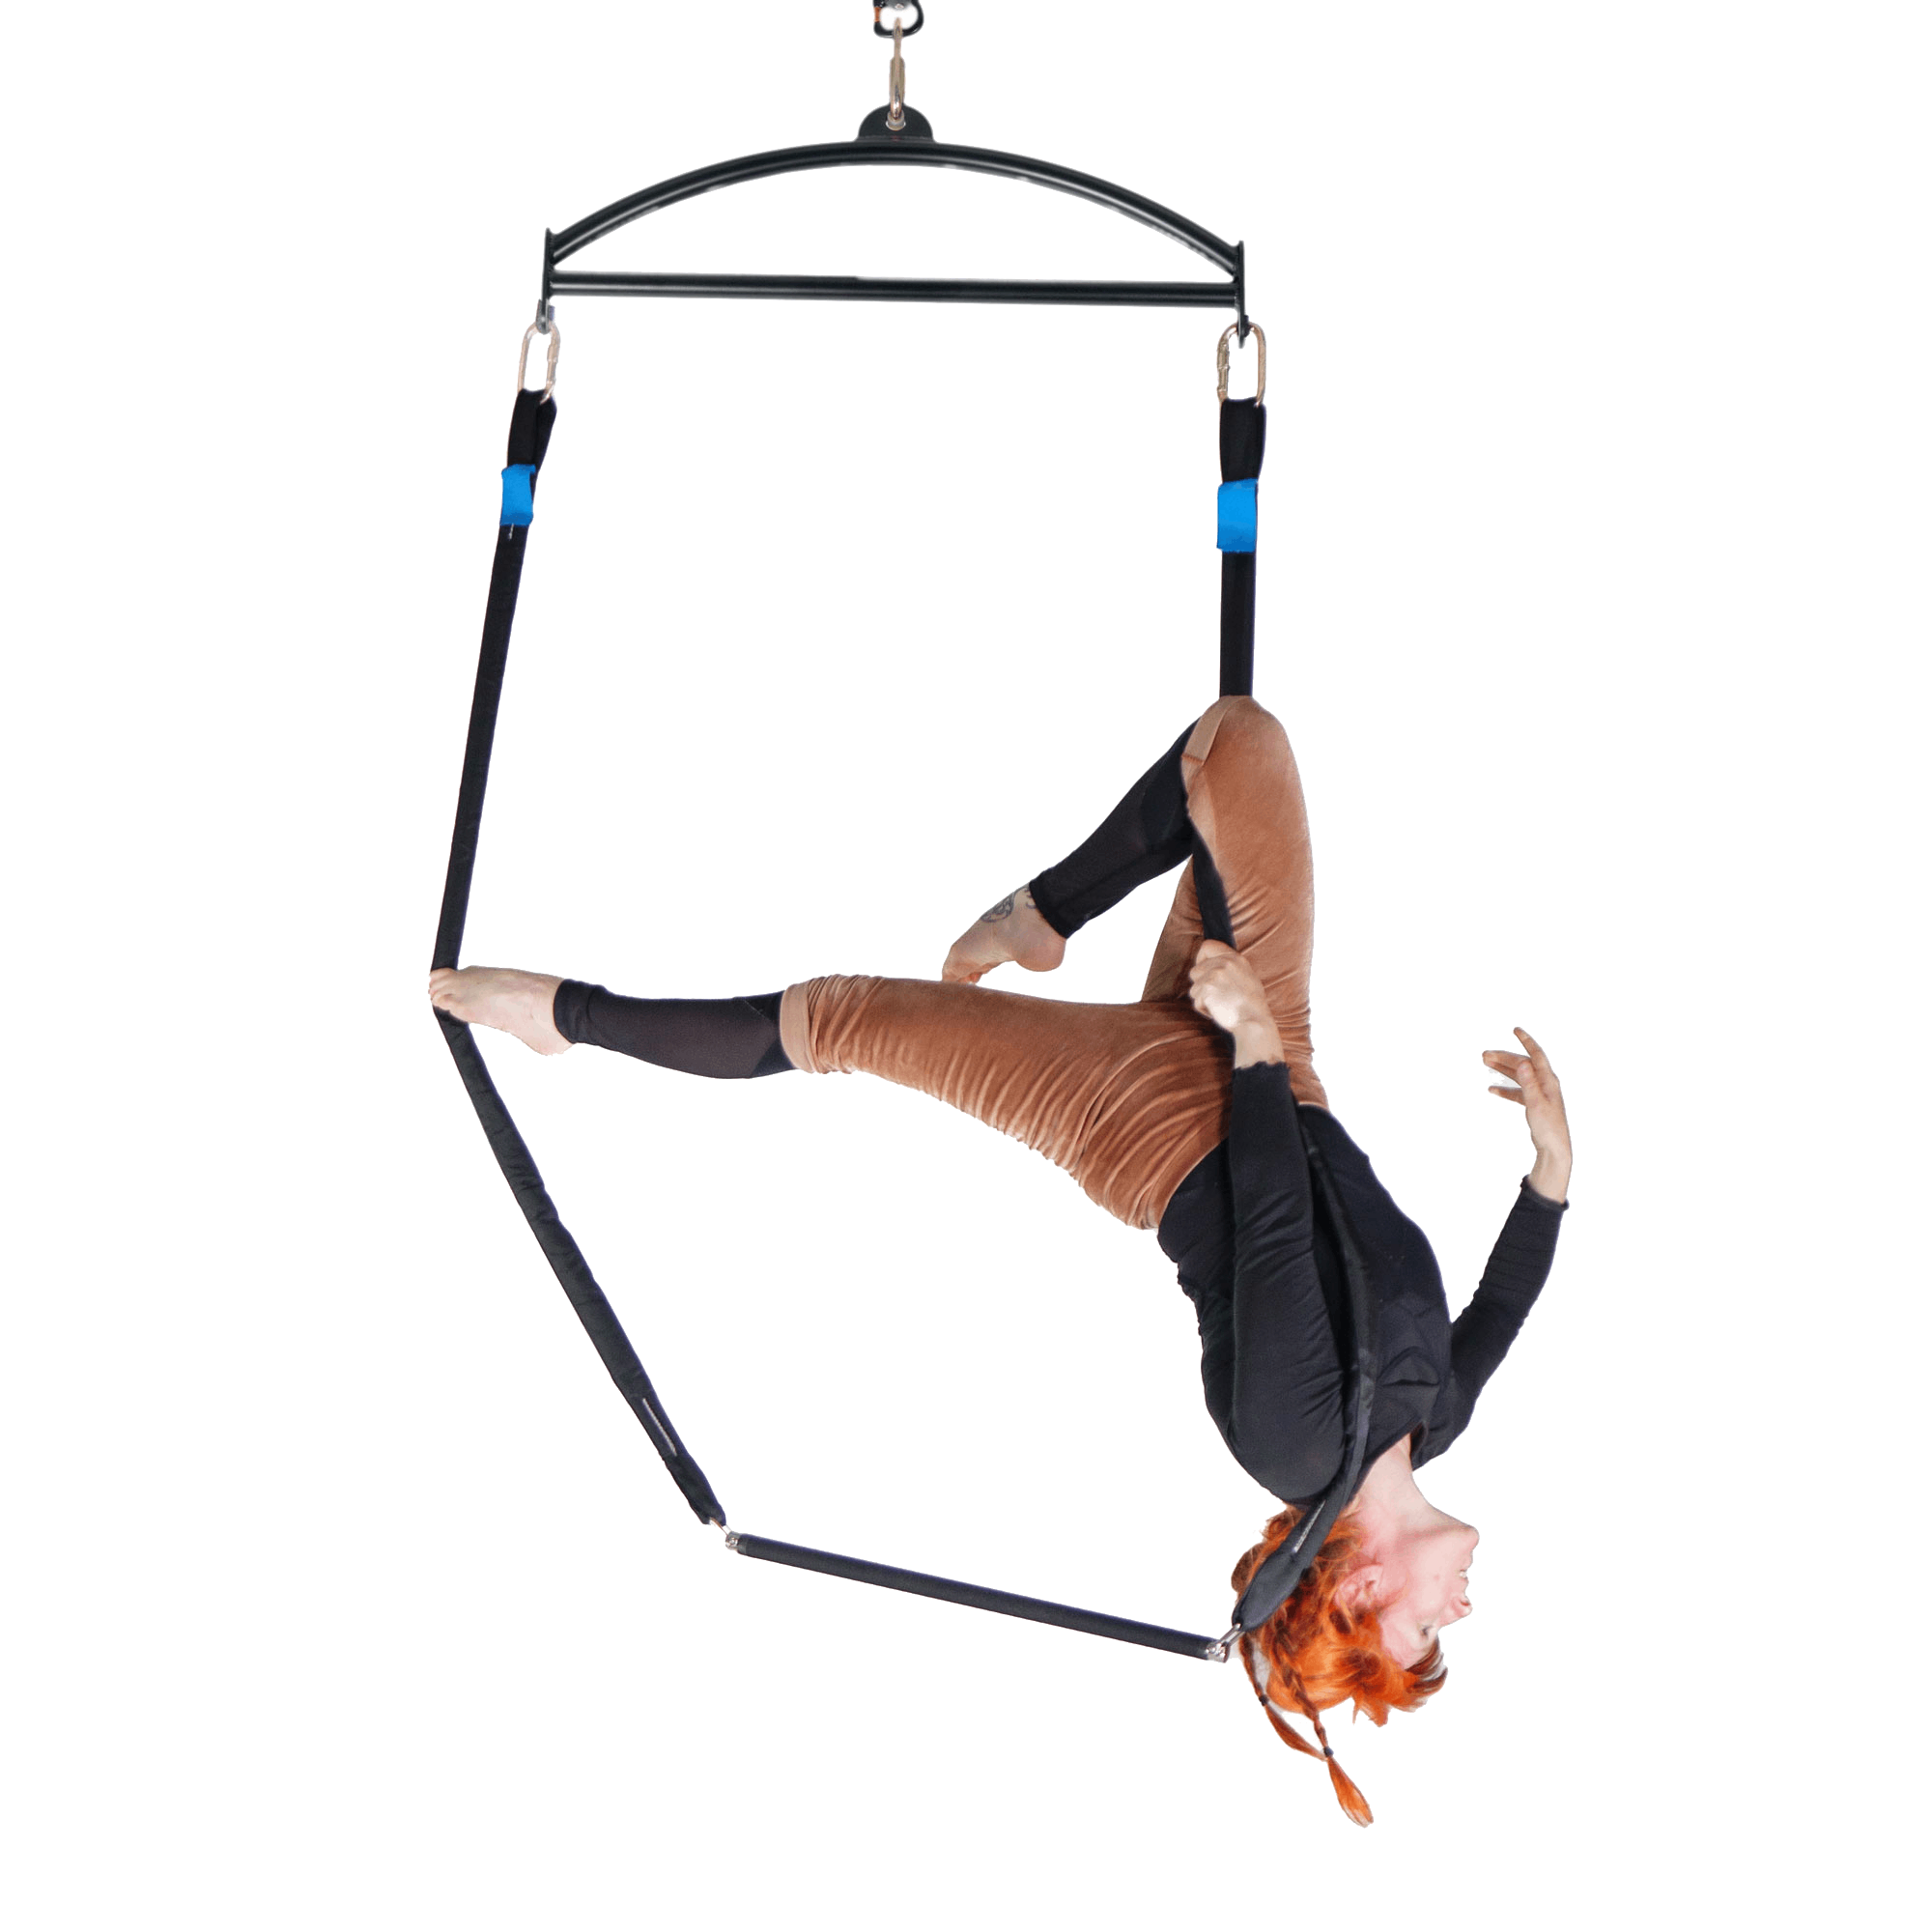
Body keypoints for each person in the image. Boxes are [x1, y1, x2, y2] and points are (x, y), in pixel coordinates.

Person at [427, 695, 1572, 1824]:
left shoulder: (1288, 1440)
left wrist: (1255, 1048)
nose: (1460, 1611)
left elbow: (1272, 1220)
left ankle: (562, 1014)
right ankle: (1042, 912)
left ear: (1363, 1584)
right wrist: (1550, 1171)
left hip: (1141, 1113)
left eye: (1428, 1629)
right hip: (1274, 1056)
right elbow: (1502, 1301)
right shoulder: (1437, 1419)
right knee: (1240, 738)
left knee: (843, 1016)